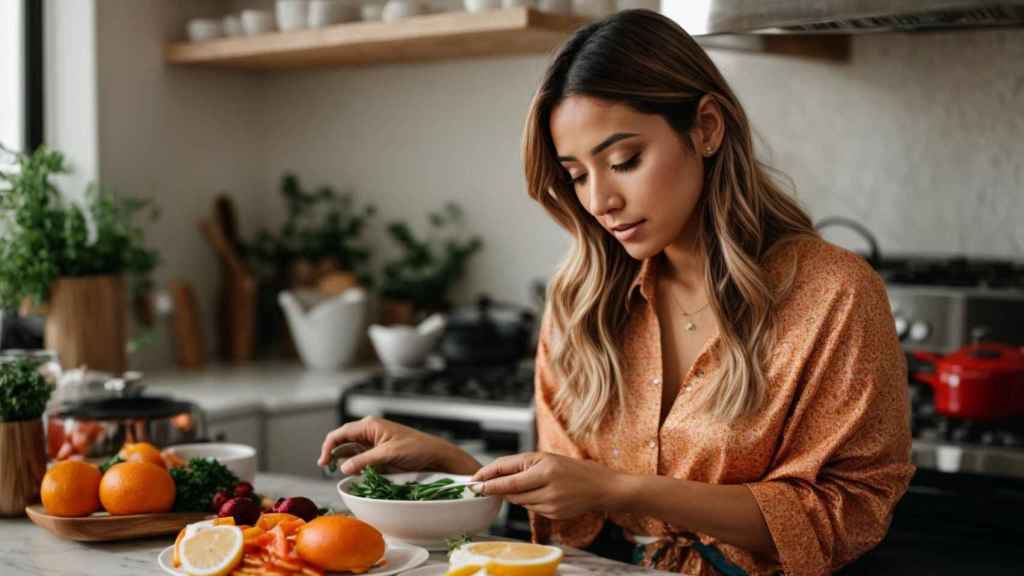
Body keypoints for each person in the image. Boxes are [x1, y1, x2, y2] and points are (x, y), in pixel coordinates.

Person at [319, 9, 913, 576]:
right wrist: (456, 469)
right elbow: (571, 516)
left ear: (706, 128)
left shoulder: (833, 293)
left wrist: (618, 487)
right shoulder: (580, 299)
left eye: (624, 160)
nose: (601, 200)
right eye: (576, 175)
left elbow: (849, 514)